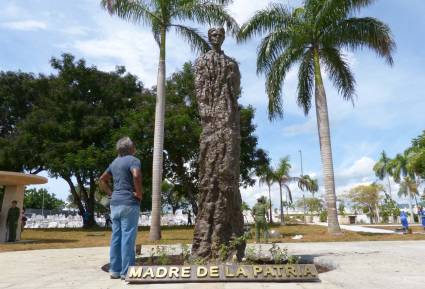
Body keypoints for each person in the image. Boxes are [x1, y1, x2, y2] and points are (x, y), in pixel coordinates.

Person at [99, 137, 143, 280]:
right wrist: (139, 194)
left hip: (115, 204)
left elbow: (102, 179)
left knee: (116, 237)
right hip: (129, 203)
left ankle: (114, 270)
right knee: (128, 238)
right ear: (130, 148)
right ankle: (127, 272)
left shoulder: (114, 163)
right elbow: (136, 175)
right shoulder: (133, 160)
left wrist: (111, 194)